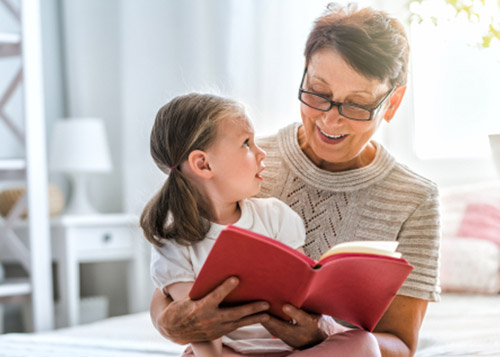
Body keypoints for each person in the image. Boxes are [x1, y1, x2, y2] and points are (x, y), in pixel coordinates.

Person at [148, 3, 440, 356]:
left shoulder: (416, 199)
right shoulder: (243, 167)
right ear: (304, 74)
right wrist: (172, 324)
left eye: (357, 105)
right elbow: (172, 290)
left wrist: (321, 336)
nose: (331, 121)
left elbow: (401, 344)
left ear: (392, 104)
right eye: (319, 93)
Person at [140, 93, 309, 356]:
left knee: (361, 344)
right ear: (203, 163)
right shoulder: (175, 244)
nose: (261, 152)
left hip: (293, 349)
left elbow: (302, 294)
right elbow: (199, 325)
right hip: (234, 352)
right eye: (246, 143)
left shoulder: (276, 216)